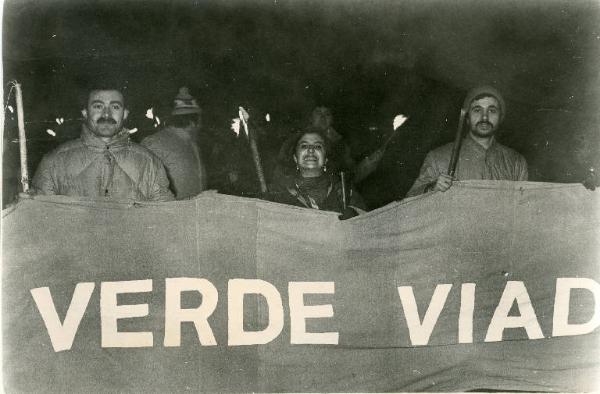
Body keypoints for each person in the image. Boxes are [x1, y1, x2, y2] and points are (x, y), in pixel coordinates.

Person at [32, 87, 173, 201]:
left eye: (115, 107)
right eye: (98, 106)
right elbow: (40, 218)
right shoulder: (54, 162)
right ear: (85, 113)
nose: (106, 114)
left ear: (124, 114)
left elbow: (166, 217)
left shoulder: (150, 163)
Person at [406, 86, 528, 197]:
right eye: (477, 110)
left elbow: (524, 207)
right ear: (467, 117)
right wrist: (431, 188)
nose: (484, 117)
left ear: (500, 117)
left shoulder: (516, 162)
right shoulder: (438, 158)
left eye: (492, 111)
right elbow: (408, 203)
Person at [266, 127, 366, 218]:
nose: (310, 150)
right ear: (295, 158)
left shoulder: (345, 193)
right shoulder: (278, 194)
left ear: (326, 159)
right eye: (304, 146)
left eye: (318, 146)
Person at [274, 106, 384, 186]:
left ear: (332, 119)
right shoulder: (295, 141)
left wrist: (367, 165)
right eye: (318, 113)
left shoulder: (340, 145)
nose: (322, 117)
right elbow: (280, 171)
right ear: (311, 117)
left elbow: (351, 177)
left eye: (327, 114)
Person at [141, 87, 207, 199]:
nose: (201, 126)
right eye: (200, 121)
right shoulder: (155, 143)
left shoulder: (192, 144)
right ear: (192, 122)